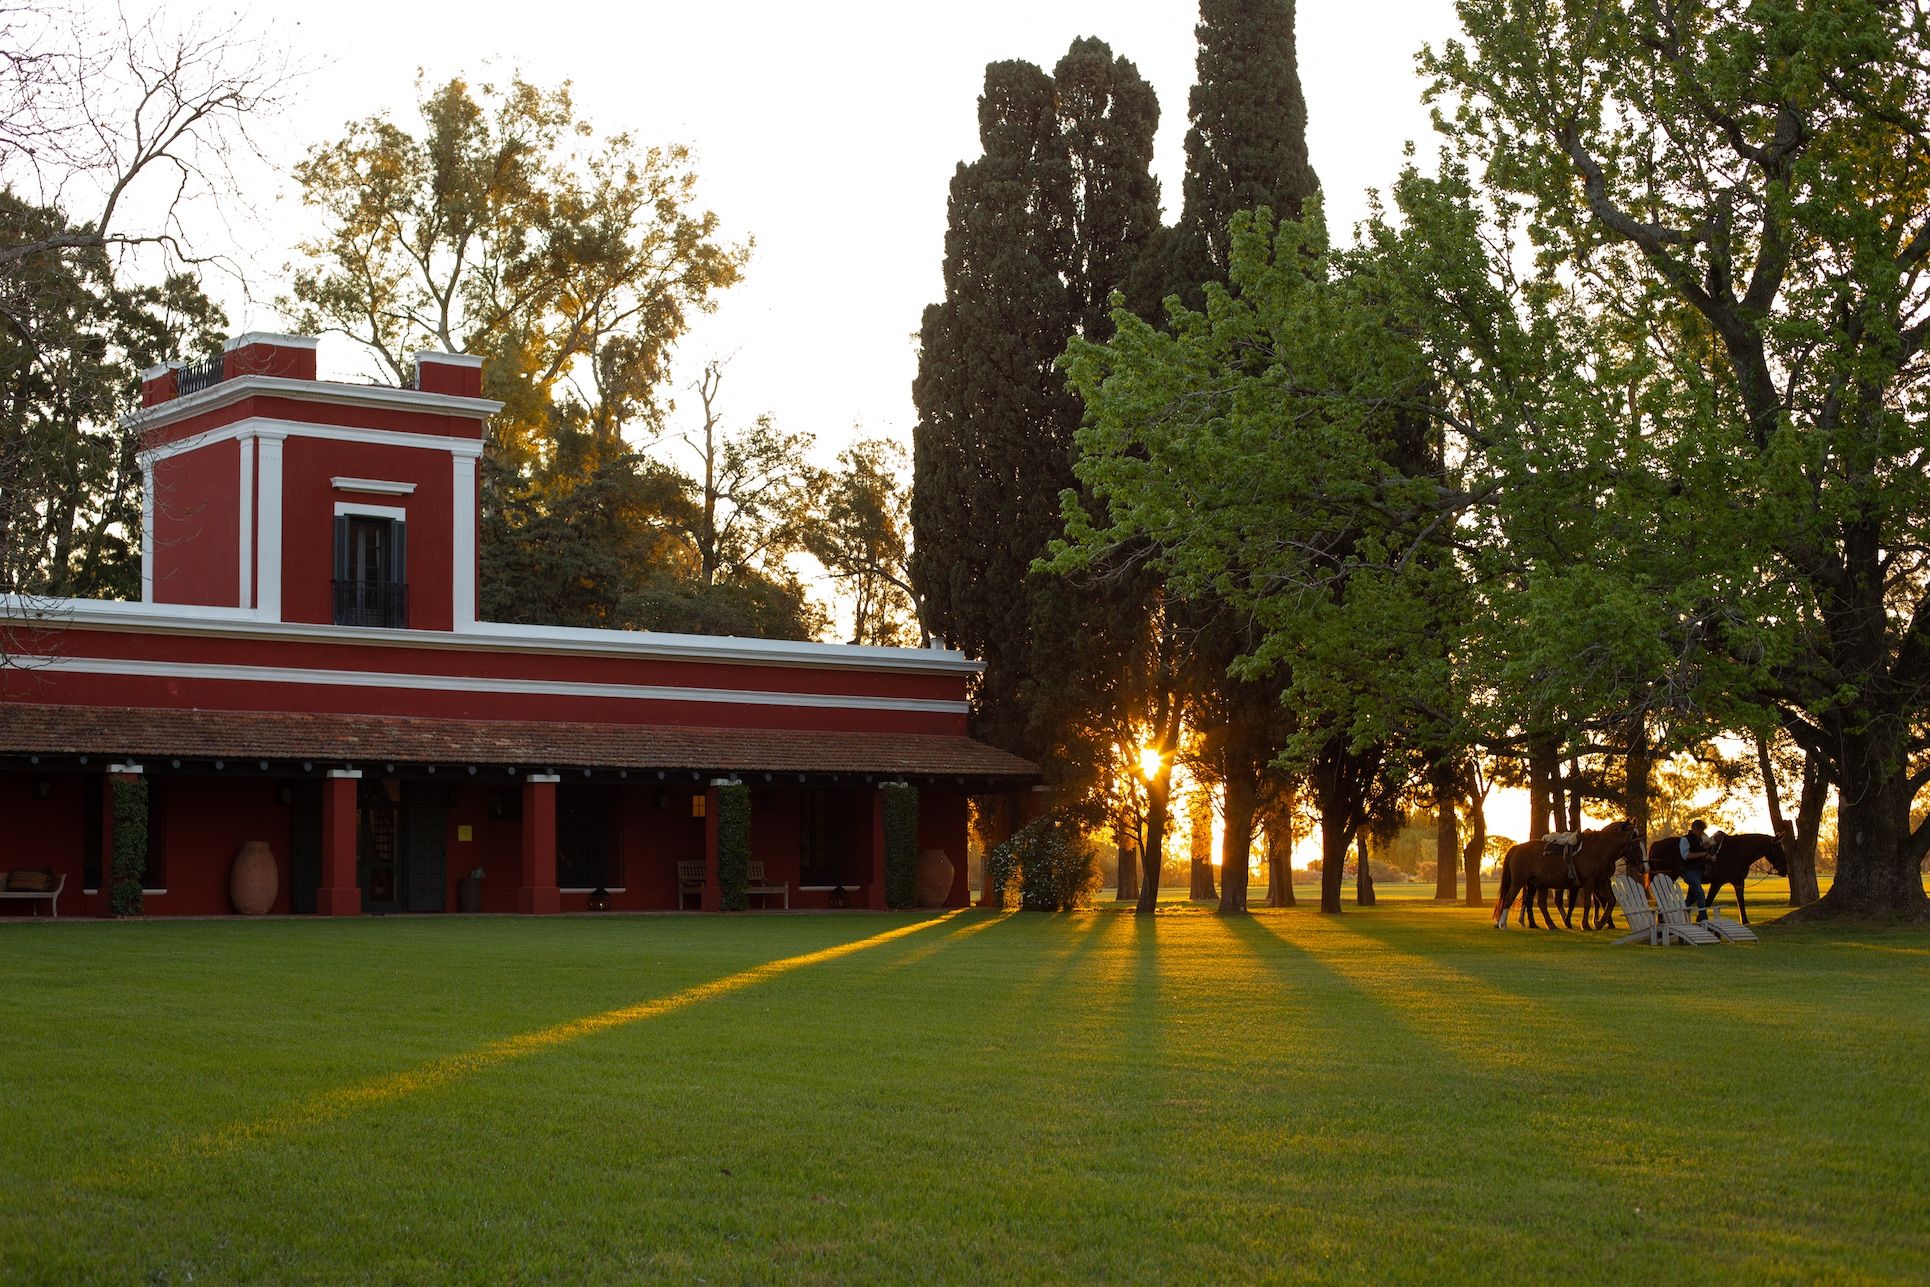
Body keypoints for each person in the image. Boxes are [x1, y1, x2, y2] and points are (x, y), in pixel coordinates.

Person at [1678, 819, 1713, 922]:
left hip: (1699, 871)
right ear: (1694, 829)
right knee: (1700, 893)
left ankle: (1678, 913)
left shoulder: (1700, 839)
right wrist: (1702, 854)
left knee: (1691, 899)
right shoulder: (1685, 840)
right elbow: (1686, 856)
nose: (1702, 833)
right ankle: (1703, 918)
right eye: (1700, 830)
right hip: (1689, 871)